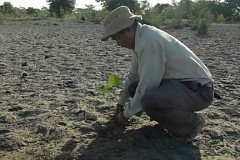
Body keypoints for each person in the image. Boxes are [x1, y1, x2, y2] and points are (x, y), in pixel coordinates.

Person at [101, 6, 214, 142]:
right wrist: (121, 103)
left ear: (128, 30)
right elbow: (133, 76)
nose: (118, 43)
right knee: (133, 88)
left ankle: (192, 124)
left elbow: (147, 86)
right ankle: (166, 119)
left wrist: (125, 115)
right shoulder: (141, 39)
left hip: (199, 91)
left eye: (116, 38)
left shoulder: (149, 41)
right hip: (178, 85)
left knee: (149, 100)